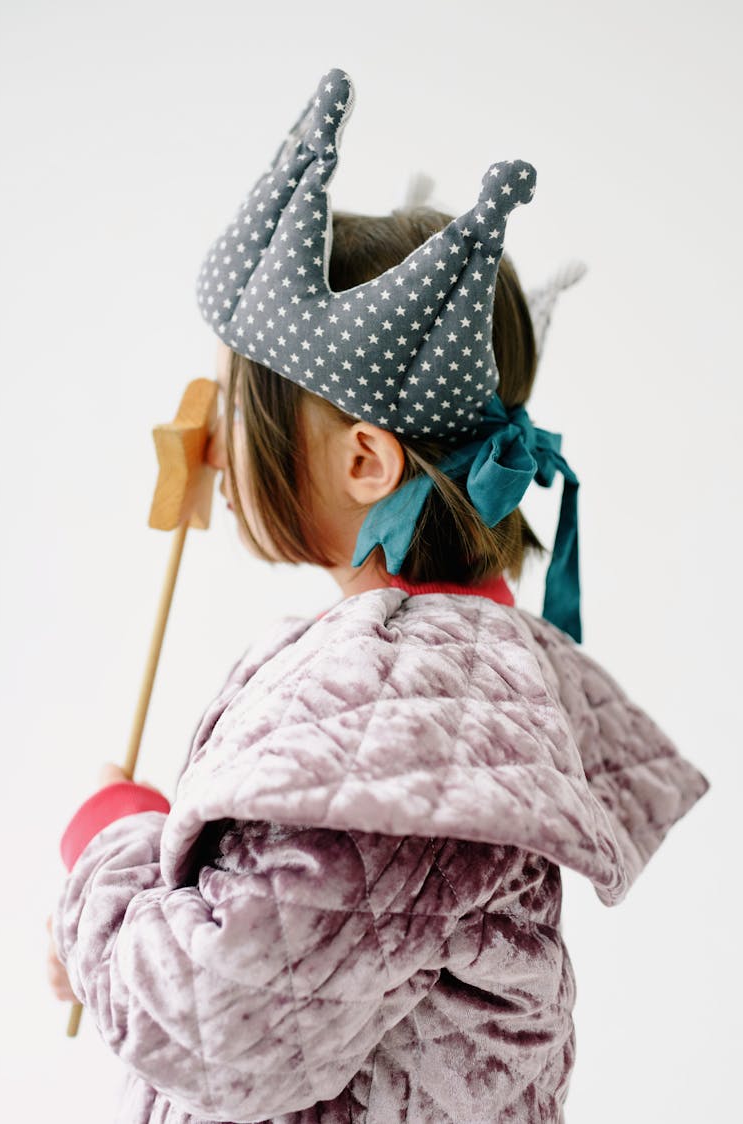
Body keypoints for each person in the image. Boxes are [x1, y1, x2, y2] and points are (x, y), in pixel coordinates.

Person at [47, 69, 710, 1123]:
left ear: (365, 460)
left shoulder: (409, 718)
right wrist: (121, 936)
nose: (211, 444)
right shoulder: (432, 679)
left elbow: (211, 1022)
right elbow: (282, 954)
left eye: (240, 407)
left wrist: (110, 849)